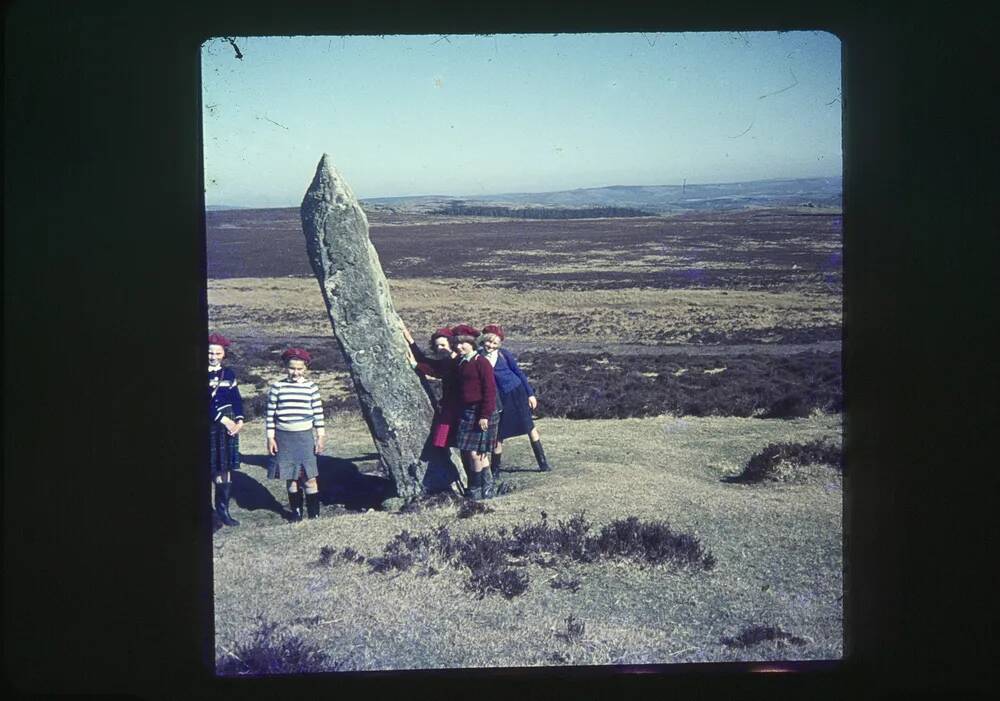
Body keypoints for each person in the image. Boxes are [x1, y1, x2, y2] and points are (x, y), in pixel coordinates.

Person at [478, 324, 552, 474]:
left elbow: (518, 373)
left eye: (494, 343)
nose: (490, 345)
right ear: (483, 340)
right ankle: (495, 470)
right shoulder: (478, 356)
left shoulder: (504, 354)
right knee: (498, 433)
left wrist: (530, 394)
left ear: (499, 344)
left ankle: (543, 463)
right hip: (498, 398)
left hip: (516, 392)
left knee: (529, 427)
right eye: (488, 341)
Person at [266, 348, 326, 521]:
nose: (295, 372)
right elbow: (270, 415)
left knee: (309, 478)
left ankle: (314, 515)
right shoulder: (277, 387)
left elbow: (318, 414)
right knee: (290, 478)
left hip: (305, 438)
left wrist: (320, 436)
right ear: (285, 367)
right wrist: (270, 437)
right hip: (283, 438)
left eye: (299, 369)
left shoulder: (311, 388)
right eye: (292, 368)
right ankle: (296, 513)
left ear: (306, 368)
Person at [451, 325, 501, 499]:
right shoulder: (462, 362)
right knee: (479, 453)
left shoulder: (481, 362)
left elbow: (489, 390)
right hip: (468, 411)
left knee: (475, 453)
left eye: (463, 343)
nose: (459, 347)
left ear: (472, 343)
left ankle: (475, 489)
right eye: (456, 344)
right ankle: (487, 487)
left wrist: (484, 415)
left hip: (482, 411)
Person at [208, 333, 245, 527]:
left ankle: (223, 511)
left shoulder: (229, 373)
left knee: (225, 467)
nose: (213, 356)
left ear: (224, 354)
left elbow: (236, 398)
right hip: (211, 423)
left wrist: (239, 419)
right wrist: (223, 420)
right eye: (210, 352)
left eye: (217, 353)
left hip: (227, 424)